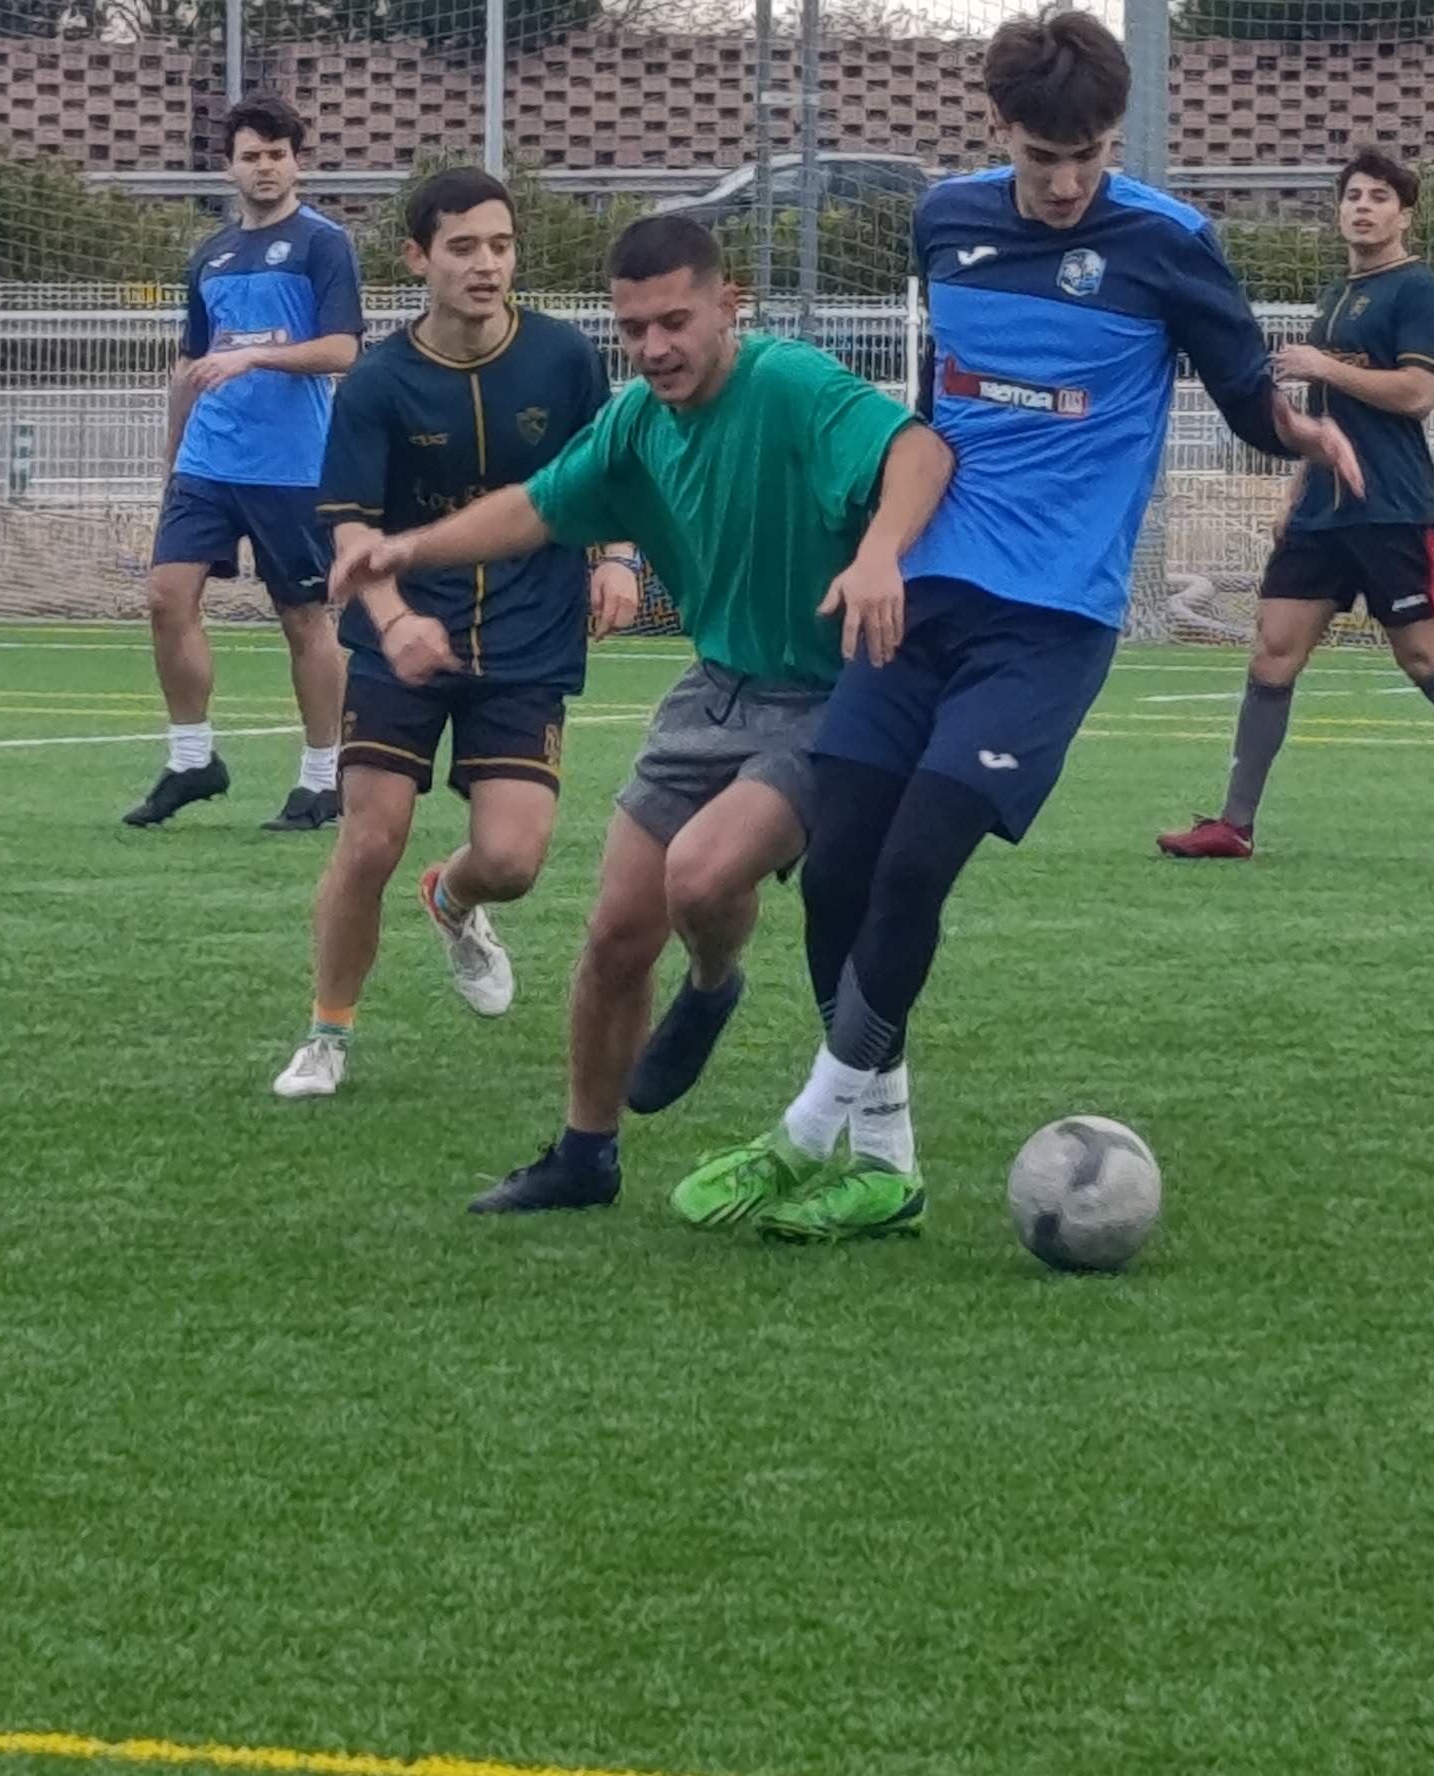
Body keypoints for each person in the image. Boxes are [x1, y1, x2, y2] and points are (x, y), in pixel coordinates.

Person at [671, 10, 1363, 1244]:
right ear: (997, 128)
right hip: (924, 592)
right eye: (1044, 156)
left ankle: (805, 1135)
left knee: (915, 866)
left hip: (1050, 618)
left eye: (1089, 154)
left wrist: (1296, 431)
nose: (1067, 182)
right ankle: (886, 1165)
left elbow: (1243, 394)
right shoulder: (947, 222)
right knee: (837, 872)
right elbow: (938, 404)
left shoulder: (1168, 243)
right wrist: (885, 539)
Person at [329, 212, 957, 1214]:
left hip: (830, 699)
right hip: (713, 688)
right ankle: (585, 1156)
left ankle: (712, 983)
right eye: (633, 329)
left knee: (699, 876)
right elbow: (537, 506)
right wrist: (406, 549)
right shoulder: (636, 423)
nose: (654, 348)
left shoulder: (791, 385)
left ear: (727, 306)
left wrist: (880, 553)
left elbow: (920, 452)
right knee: (618, 931)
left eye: (674, 322)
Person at [272, 168, 631, 1100]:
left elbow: (610, 473)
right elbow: (351, 531)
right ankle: (326, 1034)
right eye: (463, 247)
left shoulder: (564, 358)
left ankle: (454, 897)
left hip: (530, 634)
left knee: (511, 861)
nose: (486, 265)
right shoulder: (378, 381)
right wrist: (394, 623)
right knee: (370, 838)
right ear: (417, 257)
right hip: (402, 639)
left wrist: (618, 557)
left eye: (500, 246)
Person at [1157, 146, 1434, 864]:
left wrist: (1323, 364)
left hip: (1391, 507)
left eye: (1379, 198)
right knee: (1273, 652)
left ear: (1405, 215)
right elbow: (1325, 413)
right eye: (1354, 196)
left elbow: (1418, 395)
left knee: (1425, 658)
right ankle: (1234, 825)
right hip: (1321, 513)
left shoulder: (1418, 290)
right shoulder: (1338, 293)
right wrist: (1296, 487)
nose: (1363, 208)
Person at [129, 97, 362, 833]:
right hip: (208, 462)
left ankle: (323, 778)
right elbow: (191, 364)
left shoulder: (324, 244)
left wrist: (256, 355)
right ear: (228, 167)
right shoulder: (210, 255)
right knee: (166, 597)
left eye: (277, 155)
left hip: (291, 465)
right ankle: (192, 759)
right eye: (251, 155)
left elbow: (343, 349)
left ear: (297, 162)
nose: (265, 167)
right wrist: (172, 461)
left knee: (303, 617)